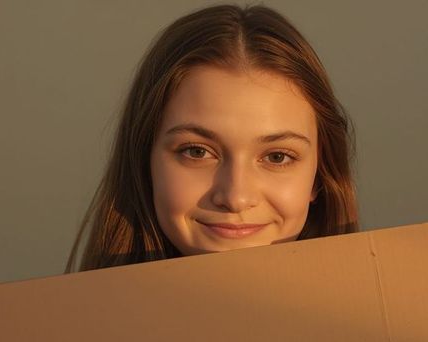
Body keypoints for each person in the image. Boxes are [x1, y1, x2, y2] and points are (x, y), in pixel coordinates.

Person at [65, 4, 358, 273]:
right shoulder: (57, 329)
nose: (235, 197)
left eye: (277, 156)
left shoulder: (391, 324)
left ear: (319, 174)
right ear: (144, 161)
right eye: (196, 152)